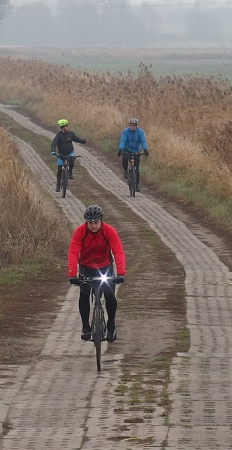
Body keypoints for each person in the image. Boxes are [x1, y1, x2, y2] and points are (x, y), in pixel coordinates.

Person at [68, 205, 126, 342]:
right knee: (84, 294)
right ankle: (85, 326)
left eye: (96, 222)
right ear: (86, 222)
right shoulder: (80, 232)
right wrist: (72, 274)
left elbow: (118, 251)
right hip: (86, 268)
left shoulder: (109, 231)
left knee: (110, 295)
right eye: (90, 223)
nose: (93, 226)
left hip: (105, 267)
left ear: (101, 221)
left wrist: (121, 272)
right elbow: (73, 251)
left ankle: (111, 323)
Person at [50, 119, 88, 192]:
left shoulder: (71, 133)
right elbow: (53, 143)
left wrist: (83, 141)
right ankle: (58, 185)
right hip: (61, 154)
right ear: (63, 127)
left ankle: (70, 172)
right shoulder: (58, 136)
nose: (68, 127)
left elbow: (76, 139)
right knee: (59, 170)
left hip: (70, 152)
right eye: (67, 126)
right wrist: (53, 151)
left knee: (72, 160)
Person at [117, 118, 149, 191]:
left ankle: (137, 185)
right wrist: (120, 149)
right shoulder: (125, 131)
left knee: (137, 169)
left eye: (134, 125)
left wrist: (145, 149)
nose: (132, 126)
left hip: (135, 150)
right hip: (127, 149)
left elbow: (143, 141)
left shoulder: (140, 132)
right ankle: (125, 171)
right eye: (131, 125)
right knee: (124, 159)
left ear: (136, 126)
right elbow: (123, 141)